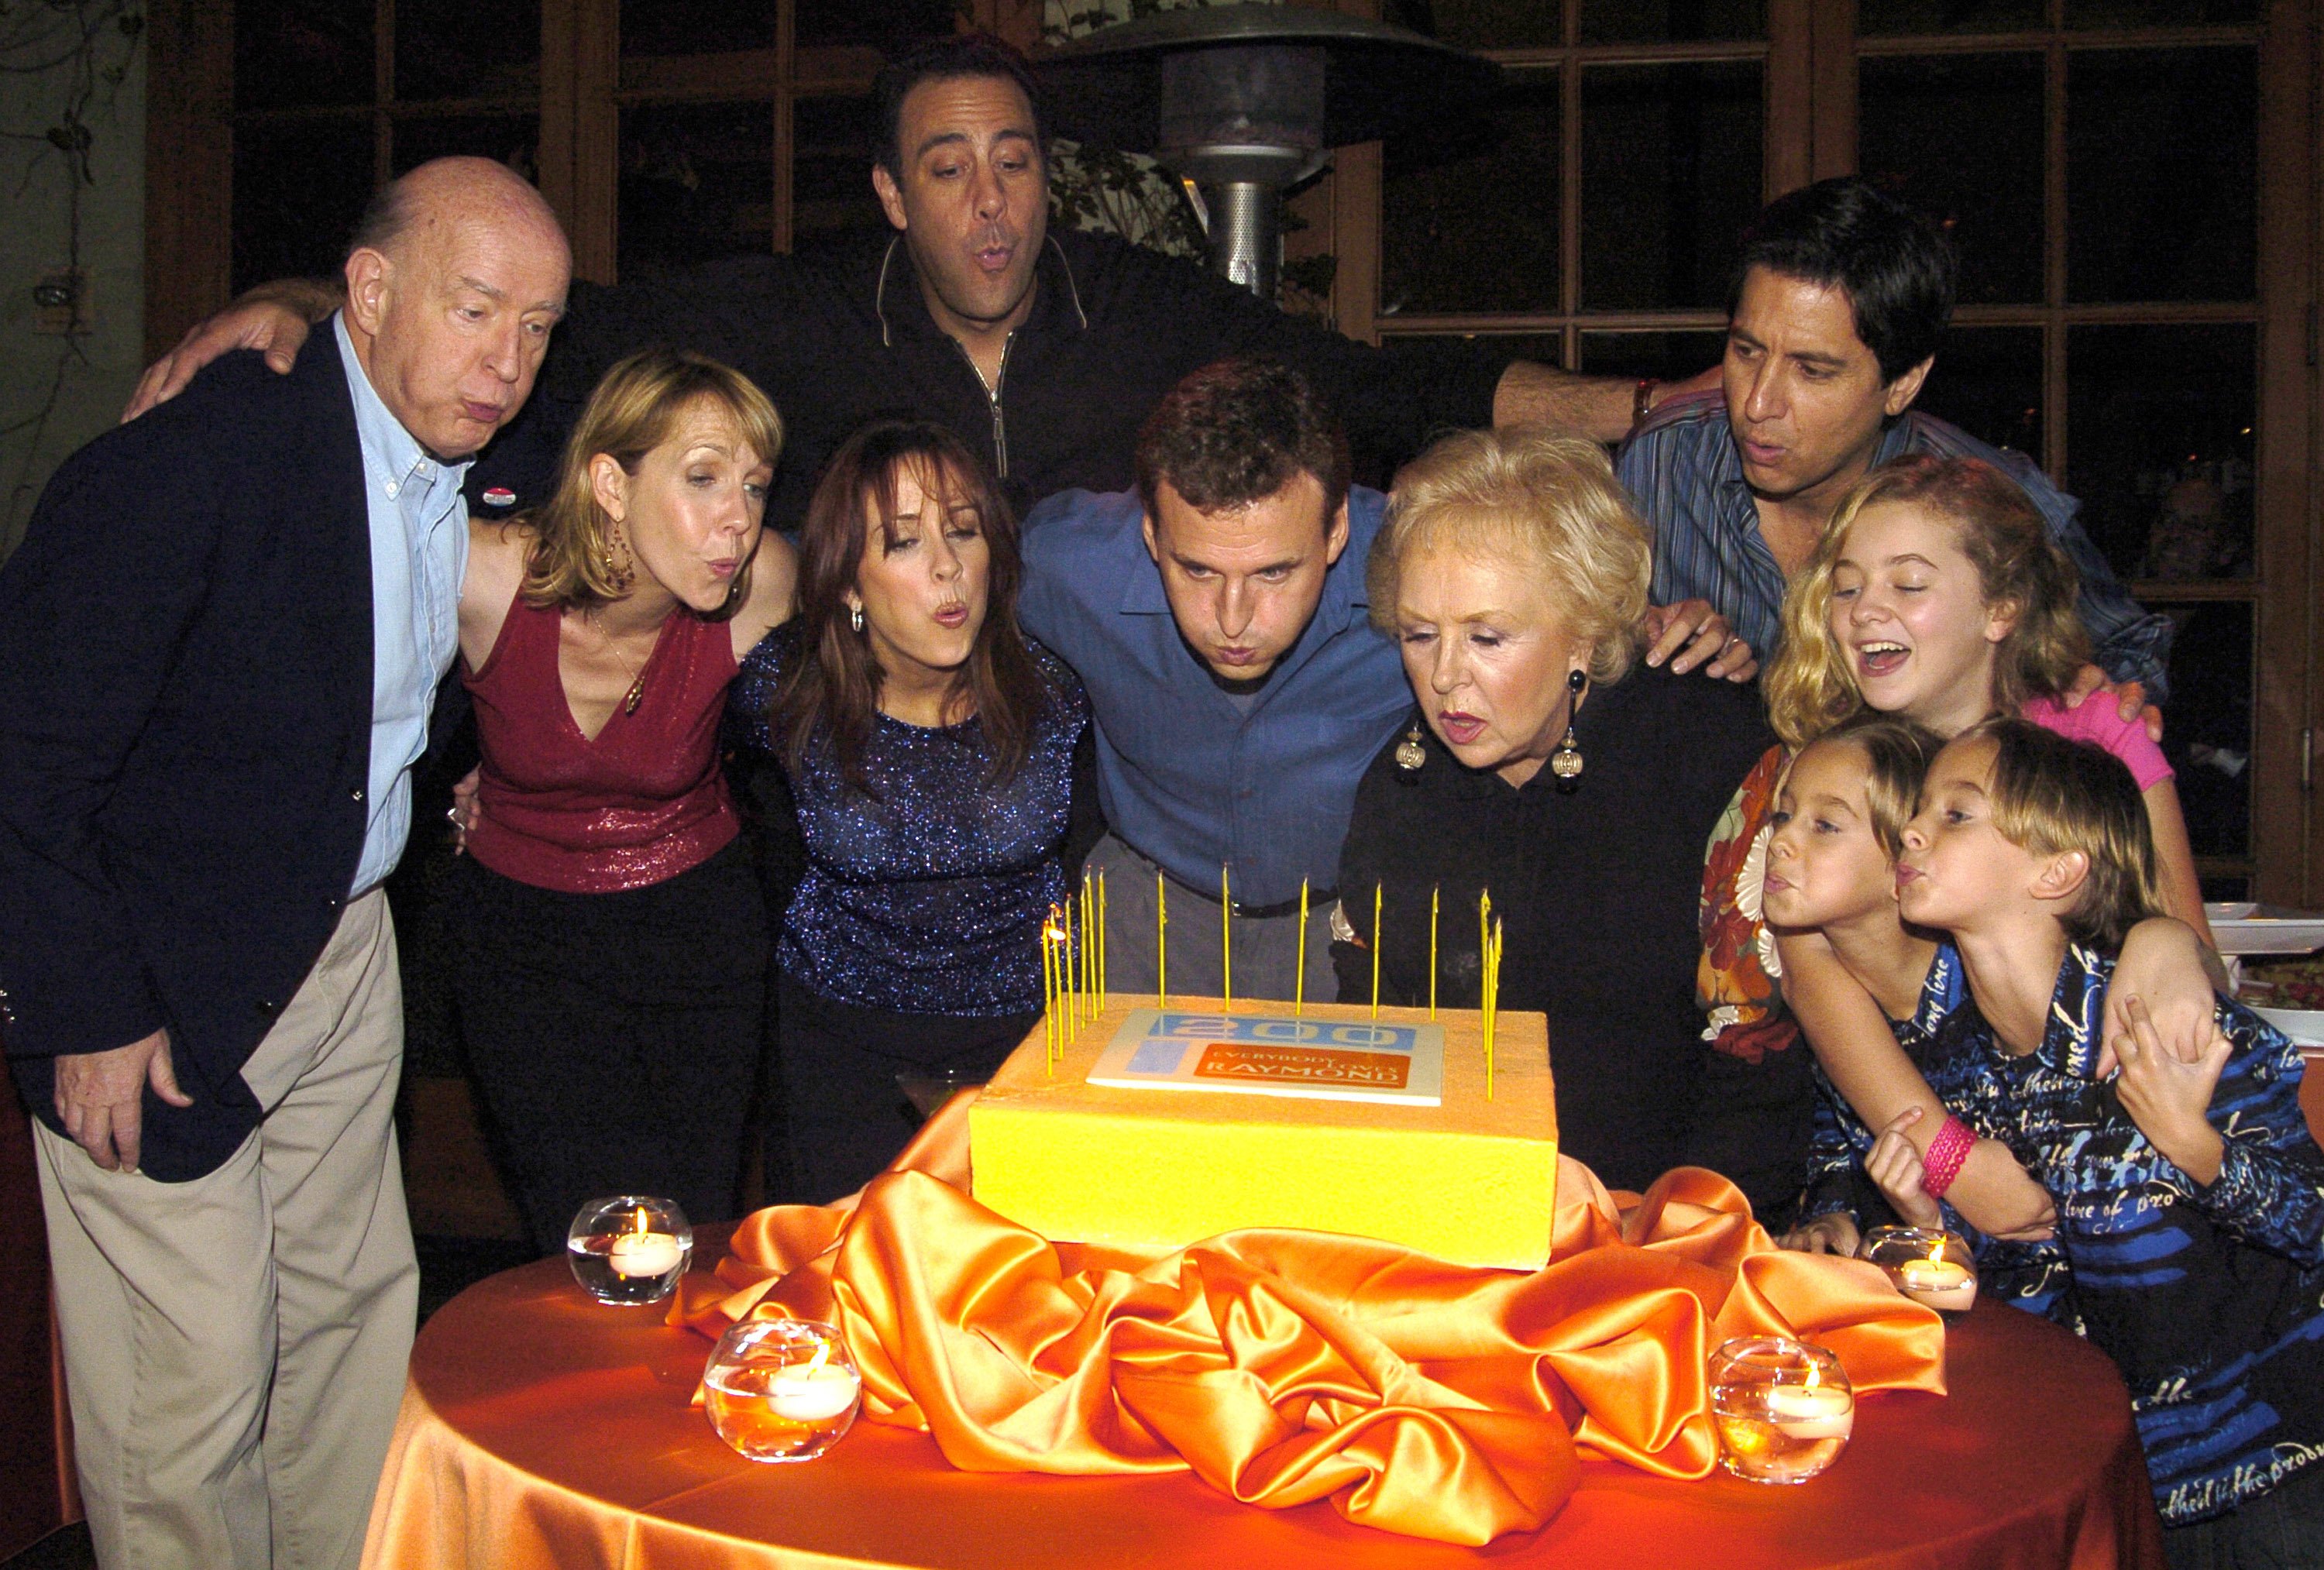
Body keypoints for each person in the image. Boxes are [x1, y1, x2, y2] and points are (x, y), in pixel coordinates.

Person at [128, 33, 1717, 641]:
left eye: (1015, 160)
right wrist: (296, 302)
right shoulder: (806, 311)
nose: (991, 201)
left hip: (1099, 756)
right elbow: (580, 328)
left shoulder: (1140, 301)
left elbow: (1378, 382)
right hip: (865, 770)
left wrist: (1640, 403)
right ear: (898, 192)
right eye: (949, 168)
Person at [0, 158, 569, 1569]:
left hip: (339, 944)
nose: (507, 362)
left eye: (537, 328)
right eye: (477, 310)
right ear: (369, 295)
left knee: (350, 1330)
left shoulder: (463, 449)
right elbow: (27, 757)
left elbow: (366, 680)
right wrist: (83, 1012)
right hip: (161, 976)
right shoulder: (188, 465)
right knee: (189, 1380)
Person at [1707, 453, 2218, 1232]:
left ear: (2002, 608)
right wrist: (1950, 1156)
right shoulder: (1842, 763)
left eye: (1908, 584)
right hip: (1910, 1154)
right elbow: (1813, 975)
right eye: (1847, 586)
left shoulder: (2091, 736)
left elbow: (2192, 949)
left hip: (2114, 1139)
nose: (1865, 609)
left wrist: (2162, 941)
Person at [1868, 720, 2324, 1560]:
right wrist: (1929, 1229)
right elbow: (2034, 1317)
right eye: (1920, 809)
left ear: (2059, 869)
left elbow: (2314, 1224)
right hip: (2112, 1485)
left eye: (1958, 813)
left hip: (2278, 1479)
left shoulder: (2166, 1018)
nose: (1913, 829)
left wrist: (2198, 1148)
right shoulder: (1946, 1067)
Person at [1329, 428, 1780, 1206]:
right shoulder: (1400, 786)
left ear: (1585, 628)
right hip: (1455, 1216)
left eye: (1487, 636)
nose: (1443, 677)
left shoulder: (1710, 752)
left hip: (1672, 1232)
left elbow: (1756, 1062)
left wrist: (1682, 1228)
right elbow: (1374, 1045)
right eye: (1418, 634)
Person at [445, 347, 796, 1252]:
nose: (738, 522)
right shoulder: (484, 577)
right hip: (522, 943)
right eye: (704, 479)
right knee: (573, 1238)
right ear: (610, 481)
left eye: (755, 488)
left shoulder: (765, 592)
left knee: (692, 1227)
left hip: (696, 929)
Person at [1619, 175, 2171, 710]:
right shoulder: (1664, 461)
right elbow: (1581, 646)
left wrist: (2100, 699)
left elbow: (2130, 650)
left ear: (1903, 382)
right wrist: (1640, 632)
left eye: (1812, 372)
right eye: (1746, 353)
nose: (1758, 404)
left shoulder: (1995, 500)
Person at [728, 421, 1088, 1201]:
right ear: (849, 584)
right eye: (902, 543)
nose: (948, 568)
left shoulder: (1054, 695)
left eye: (964, 532)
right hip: (840, 1045)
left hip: (1023, 1042)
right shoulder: (783, 693)